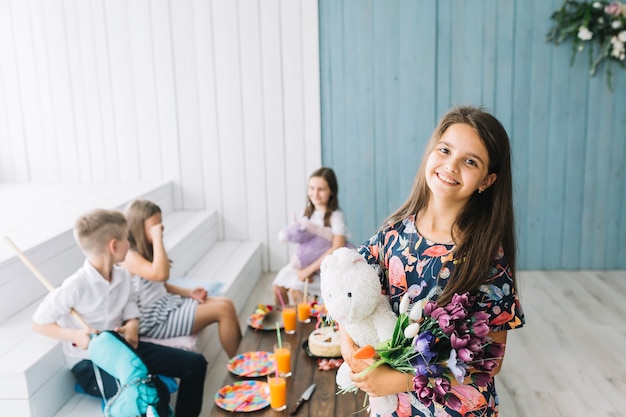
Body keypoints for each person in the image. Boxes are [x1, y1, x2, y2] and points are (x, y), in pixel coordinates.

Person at [342, 106, 525, 417]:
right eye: (445, 150)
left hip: (457, 408)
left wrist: (400, 379)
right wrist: (350, 351)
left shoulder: (487, 256)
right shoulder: (393, 235)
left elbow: (491, 359)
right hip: (392, 407)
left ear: (487, 180)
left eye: (470, 161)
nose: (451, 165)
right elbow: (347, 291)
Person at [32, 209, 207, 417]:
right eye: (127, 239)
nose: (130, 244)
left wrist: (132, 325)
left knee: (195, 364)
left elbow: (131, 308)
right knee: (148, 395)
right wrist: (74, 335)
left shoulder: (123, 276)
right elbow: (38, 323)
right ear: (114, 246)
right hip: (91, 362)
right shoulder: (75, 286)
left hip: (125, 349)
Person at [122, 199, 242, 358]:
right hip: (153, 320)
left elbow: (160, 284)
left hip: (164, 306)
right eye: (154, 226)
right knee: (223, 310)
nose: (160, 229)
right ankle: (241, 366)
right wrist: (157, 239)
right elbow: (161, 275)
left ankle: (245, 358)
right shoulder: (129, 257)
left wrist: (189, 292)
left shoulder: (146, 250)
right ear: (137, 227)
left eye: (161, 224)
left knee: (226, 302)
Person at [273, 167, 350, 305]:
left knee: (295, 291)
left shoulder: (335, 216)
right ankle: (282, 320)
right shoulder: (306, 213)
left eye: (321, 189)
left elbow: (337, 246)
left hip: (324, 266)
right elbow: (305, 247)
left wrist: (308, 271)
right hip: (307, 264)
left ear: (331, 191)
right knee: (278, 287)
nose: (315, 194)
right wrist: (303, 269)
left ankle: (304, 323)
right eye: (311, 188)